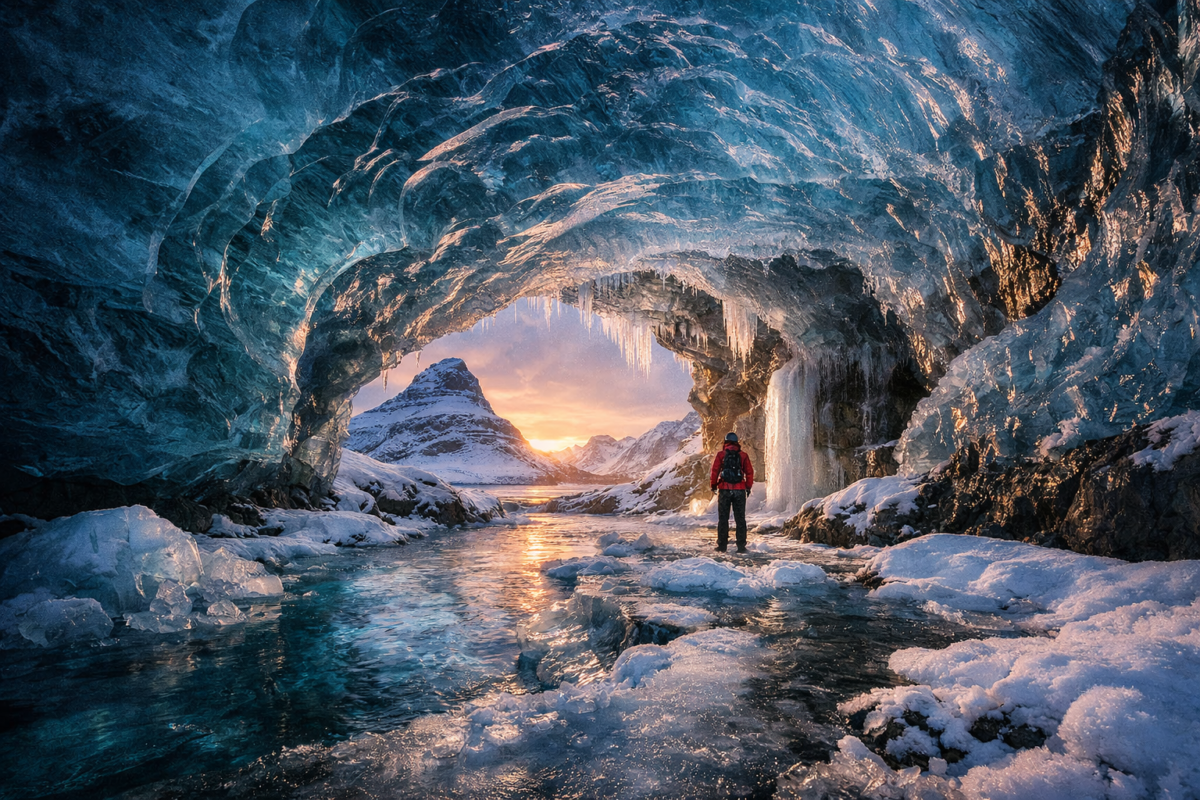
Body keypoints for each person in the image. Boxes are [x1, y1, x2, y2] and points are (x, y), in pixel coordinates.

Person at [710, 432, 754, 553]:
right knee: (740, 518)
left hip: (724, 489)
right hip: (739, 490)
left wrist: (713, 485)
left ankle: (722, 546)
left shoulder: (721, 455)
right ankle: (741, 546)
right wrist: (748, 487)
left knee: (723, 518)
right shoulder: (743, 456)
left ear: (725, 442)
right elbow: (749, 472)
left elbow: (715, 471)